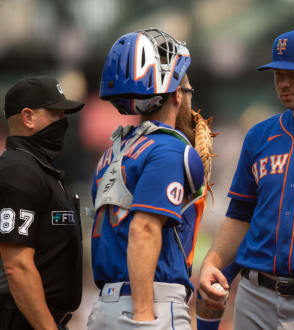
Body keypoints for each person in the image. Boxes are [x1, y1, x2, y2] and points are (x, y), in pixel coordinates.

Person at [198, 28, 294, 330]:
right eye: (277, 74)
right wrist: (213, 262)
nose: (283, 83)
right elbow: (240, 214)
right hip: (255, 295)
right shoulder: (260, 135)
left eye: (293, 74)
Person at [87, 28, 207, 330]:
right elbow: (144, 230)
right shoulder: (169, 148)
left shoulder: (115, 149)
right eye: (188, 90)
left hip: (105, 305)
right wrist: (143, 316)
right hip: (150, 302)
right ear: (177, 93)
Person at [0, 76, 84, 330]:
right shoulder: (18, 170)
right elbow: (17, 266)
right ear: (28, 117)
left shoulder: (39, 169)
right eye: (55, 114)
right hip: (20, 320)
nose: (63, 122)